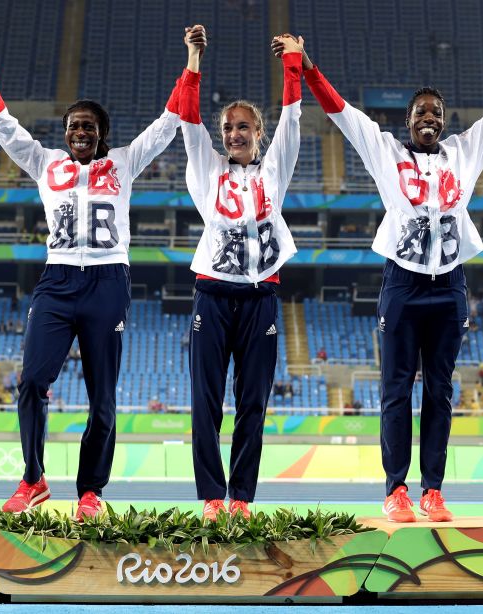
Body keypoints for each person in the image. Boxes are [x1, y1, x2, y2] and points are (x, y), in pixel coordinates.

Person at [0, 23, 201, 520]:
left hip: (107, 283)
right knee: (32, 380)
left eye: (88, 126)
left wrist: (191, 60)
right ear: (64, 133)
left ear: (102, 133)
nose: (79, 132)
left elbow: (169, 121)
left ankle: (90, 492)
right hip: (56, 282)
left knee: (102, 398)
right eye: (72, 126)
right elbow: (0, 121)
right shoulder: (44, 162)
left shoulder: (124, 161)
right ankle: (33, 479)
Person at [299, 28, 483, 523]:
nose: (429, 118)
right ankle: (396, 489)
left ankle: (433, 490)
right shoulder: (386, 153)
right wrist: (308, 65)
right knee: (396, 389)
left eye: (436, 113)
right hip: (401, 282)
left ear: (443, 123)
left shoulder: (464, 152)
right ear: (408, 120)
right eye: (421, 112)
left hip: (449, 286)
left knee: (440, 389)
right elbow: (341, 113)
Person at [180, 29, 302, 520]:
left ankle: (241, 500)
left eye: (244, 126)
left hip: (261, 300)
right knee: (205, 403)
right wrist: (194, 59)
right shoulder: (204, 170)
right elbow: (188, 120)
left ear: (259, 133)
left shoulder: (275, 171)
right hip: (211, 295)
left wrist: (293, 66)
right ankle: (212, 497)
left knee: (253, 405)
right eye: (228, 126)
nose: (235, 133)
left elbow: (293, 118)